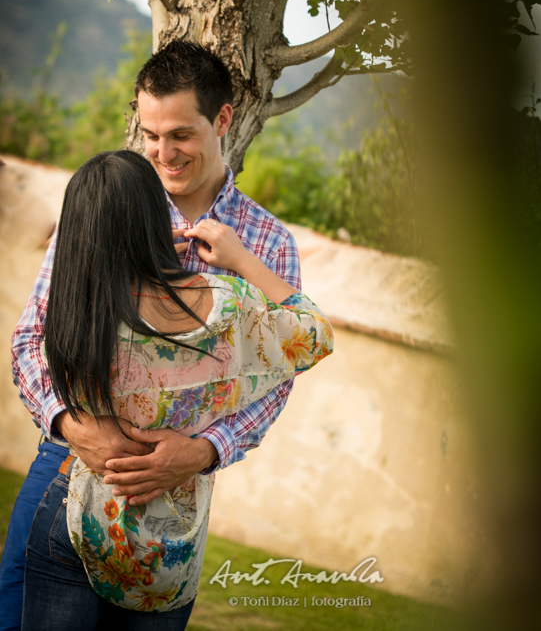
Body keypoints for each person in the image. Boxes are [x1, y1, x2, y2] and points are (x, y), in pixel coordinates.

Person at [2, 40, 302, 630]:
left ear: (222, 120)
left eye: (181, 135)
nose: (163, 152)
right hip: (67, 465)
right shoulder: (106, 203)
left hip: (176, 498)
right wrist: (72, 424)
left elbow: (276, 379)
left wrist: (202, 451)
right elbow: (31, 336)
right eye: (150, 134)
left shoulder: (267, 245)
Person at [21, 150, 333, 628]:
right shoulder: (229, 306)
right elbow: (316, 335)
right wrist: (242, 260)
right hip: (169, 546)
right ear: (155, 213)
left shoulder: (78, 308)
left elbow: (28, 347)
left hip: (75, 515)